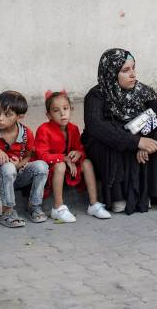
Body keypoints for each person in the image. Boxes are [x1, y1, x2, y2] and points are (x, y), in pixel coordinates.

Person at [82, 48, 157, 215]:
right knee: (114, 140)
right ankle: (118, 197)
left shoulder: (142, 90)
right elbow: (96, 126)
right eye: (125, 70)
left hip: (136, 136)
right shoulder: (97, 95)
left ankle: (146, 194)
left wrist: (156, 143)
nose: (132, 74)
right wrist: (137, 142)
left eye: (133, 68)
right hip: (105, 142)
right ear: (111, 73)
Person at [0, 90, 49, 227]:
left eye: (7, 114)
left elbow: (29, 156)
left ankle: (34, 206)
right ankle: (7, 212)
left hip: (17, 176)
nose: (0, 118)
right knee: (7, 168)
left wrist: (19, 165)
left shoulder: (26, 133)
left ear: (19, 117)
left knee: (41, 166)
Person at [35, 91, 112, 223]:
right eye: (56, 110)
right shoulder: (44, 129)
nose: (62, 113)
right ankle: (58, 207)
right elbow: (41, 155)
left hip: (70, 167)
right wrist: (63, 158)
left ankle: (93, 204)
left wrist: (78, 153)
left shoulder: (73, 129)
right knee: (60, 165)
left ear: (71, 109)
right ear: (49, 115)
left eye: (65, 109)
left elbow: (80, 148)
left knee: (87, 162)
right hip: (51, 168)